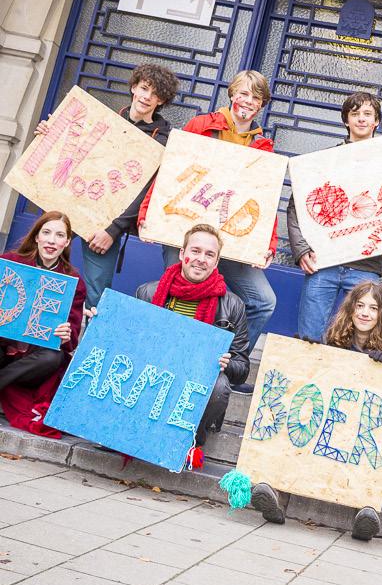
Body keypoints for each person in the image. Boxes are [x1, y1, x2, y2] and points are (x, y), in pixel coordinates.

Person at [138, 69, 277, 383]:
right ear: (232, 94)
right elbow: (170, 169)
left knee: (263, 301)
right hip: (185, 231)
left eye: (255, 97)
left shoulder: (263, 146)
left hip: (232, 239)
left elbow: (263, 197)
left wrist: (267, 244)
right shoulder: (201, 125)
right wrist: (148, 212)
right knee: (173, 293)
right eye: (243, 93)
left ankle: (221, 363)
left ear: (261, 104)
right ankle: (159, 361)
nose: (247, 101)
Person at [251, 281, 382, 540]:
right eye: (360, 306)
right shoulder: (334, 338)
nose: (365, 313)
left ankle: (367, 504)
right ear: (350, 309)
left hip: (363, 428)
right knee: (301, 397)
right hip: (329, 421)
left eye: (373, 308)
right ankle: (277, 494)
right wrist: (304, 357)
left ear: (381, 315)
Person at [35, 64, 179, 310]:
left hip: (106, 225)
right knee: (40, 271)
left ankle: (89, 346)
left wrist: (112, 230)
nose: (146, 97)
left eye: (155, 94)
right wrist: (49, 134)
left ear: (161, 100)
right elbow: (70, 152)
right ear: (134, 88)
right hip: (71, 206)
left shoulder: (164, 140)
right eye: (144, 88)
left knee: (97, 292)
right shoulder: (103, 119)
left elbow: (146, 191)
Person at [286, 90, 382, 342]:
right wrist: (301, 250)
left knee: (367, 340)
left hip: (366, 267)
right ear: (346, 120)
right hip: (324, 261)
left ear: (376, 122)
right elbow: (297, 207)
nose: (361, 119)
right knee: (309, 336)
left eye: (368, 114)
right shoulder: (324, 162)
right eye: (355, 113)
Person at [135, 223, 250, 457]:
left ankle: (188, 442)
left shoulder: (233, 305)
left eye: (209, 254)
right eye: (195, 251)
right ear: (182, 254)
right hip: (155, 370)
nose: (201, 259)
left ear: (217, 262)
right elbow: (127, 342)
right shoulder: (148, 293)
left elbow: (242, 368)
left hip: (197, 379)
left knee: (220, 385)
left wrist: (228, 364)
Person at [0, 211, 87, 437]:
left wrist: (67, 335)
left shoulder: (73, 281)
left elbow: (73, 336)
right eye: (46, 233)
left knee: (54, 357)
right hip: (3, 346)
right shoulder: (10, 263)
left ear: (67, 242)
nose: (51, 240)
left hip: (34, 359)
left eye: (59, 235)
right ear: (36, 236)